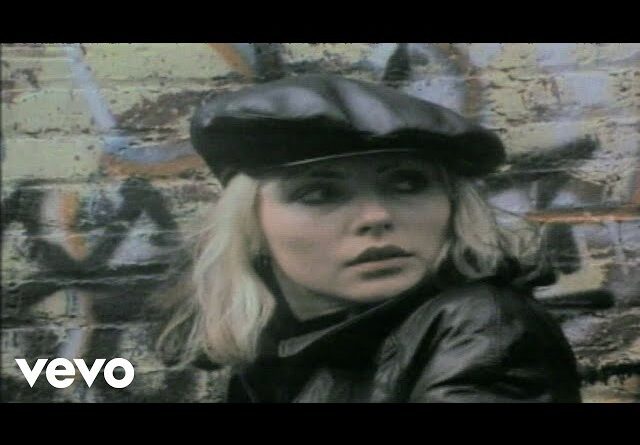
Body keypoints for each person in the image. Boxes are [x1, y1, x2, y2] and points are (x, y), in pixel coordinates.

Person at [156, 74, 582, 403]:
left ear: (453, 207)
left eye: (407, 183)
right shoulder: (276, 351)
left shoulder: (480, 326)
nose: (376, 217)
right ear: (252, 227)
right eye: (320, 193)